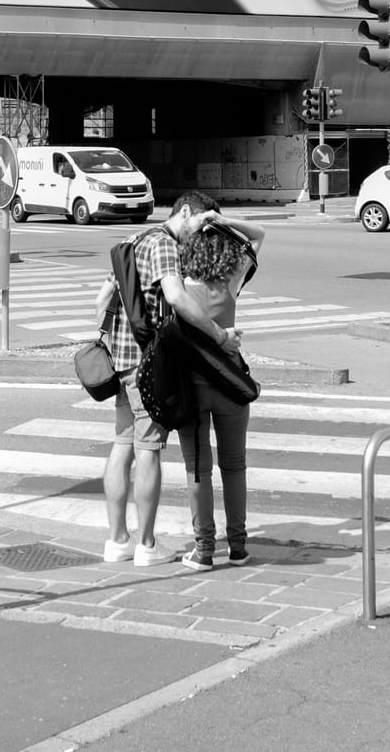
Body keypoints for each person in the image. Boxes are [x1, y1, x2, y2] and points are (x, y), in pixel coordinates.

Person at [98, 190, 219, 567]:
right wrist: (217, 333)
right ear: (185, 212)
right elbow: (178, 299)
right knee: (148, 450)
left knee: (122, 447)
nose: (200, 233)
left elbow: (101, 300)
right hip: (146, 365)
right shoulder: (165, 245)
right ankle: (147, 545)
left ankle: (117, 540)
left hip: (118, 359)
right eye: (201, 223)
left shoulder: (133, 241)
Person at [166, 212, 265, 570]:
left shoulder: (177, 285)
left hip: (189, 387)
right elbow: (259, 234)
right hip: (230, 383)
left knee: (197, 469)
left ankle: (205, 549)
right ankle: (238, 547)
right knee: (234, 466)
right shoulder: (232, 280)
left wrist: (194, 224)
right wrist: (219, 218)